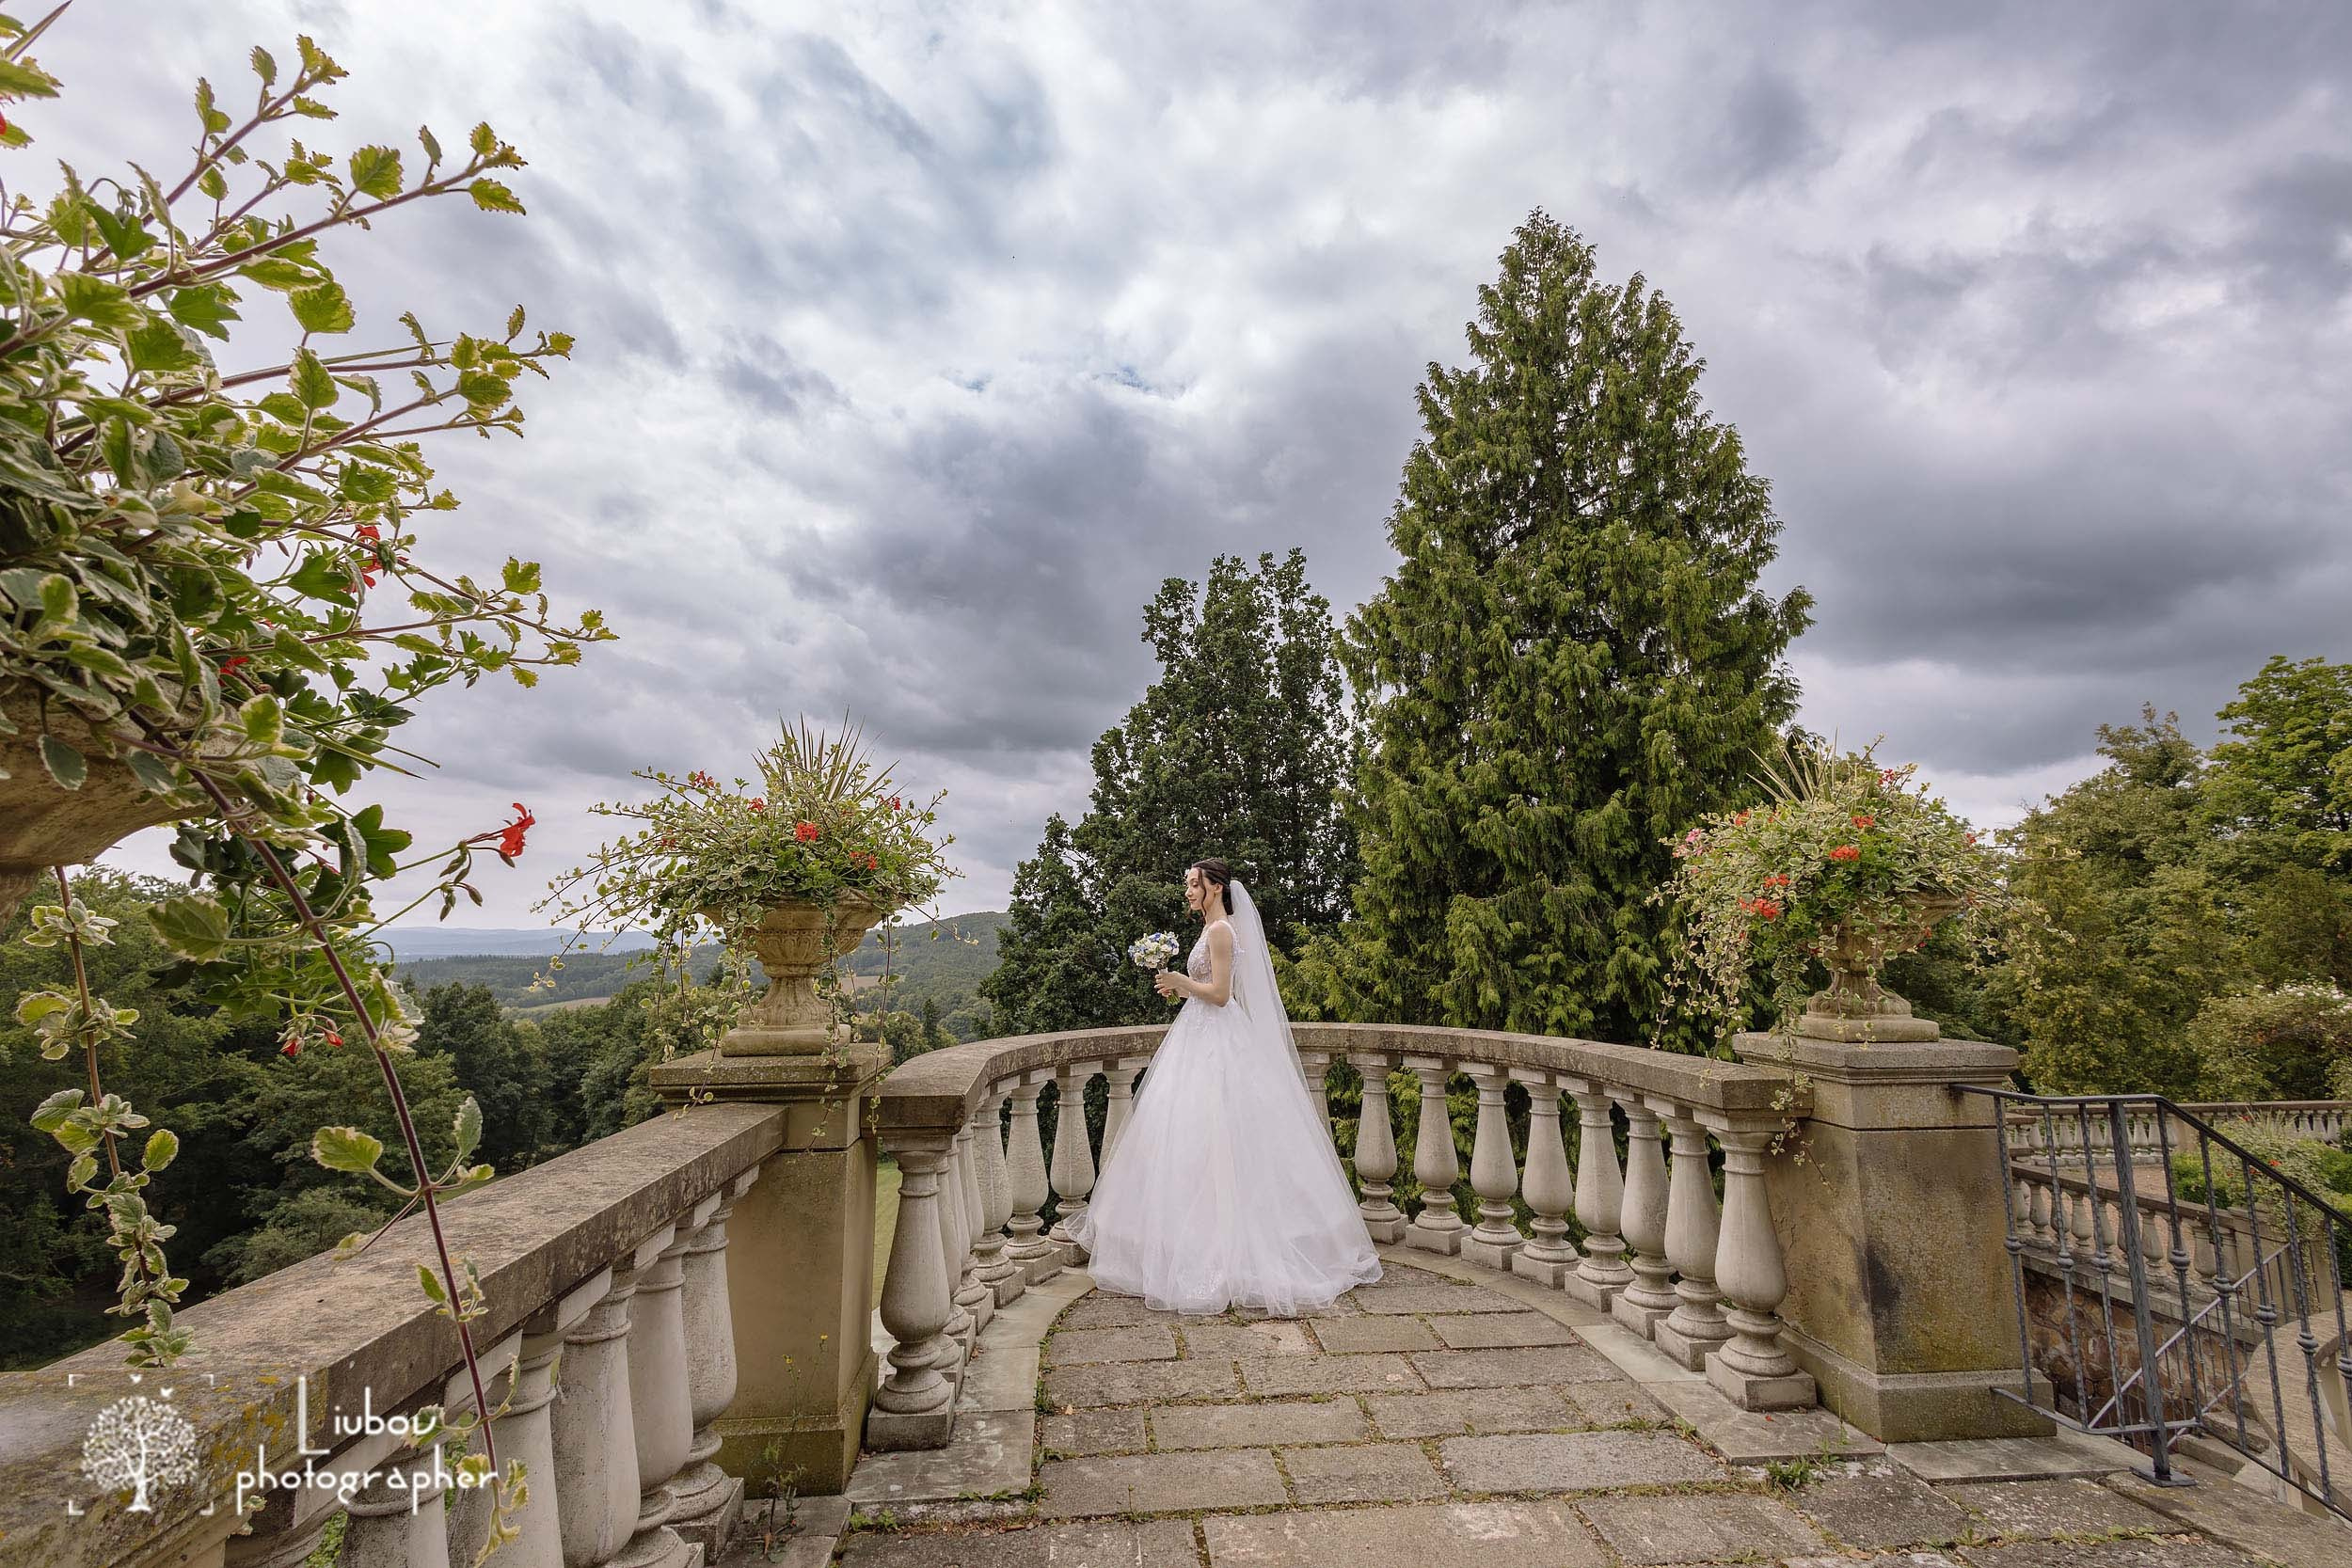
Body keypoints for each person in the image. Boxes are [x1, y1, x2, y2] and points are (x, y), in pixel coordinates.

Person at [1068, 858, 1382, 1315]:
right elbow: (1207, 989)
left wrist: (1181, 981)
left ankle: (1225, 1253)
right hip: (1199, 1033)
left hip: (1215, 1035)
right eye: (1188, 885)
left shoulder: (1220, 932)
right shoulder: (1214, 928)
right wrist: (1181, 988)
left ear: (1215, 888)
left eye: (1194, 885)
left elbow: (1219, 994)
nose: (1188, 892)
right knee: (1191, 1139)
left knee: (1216, 1135)